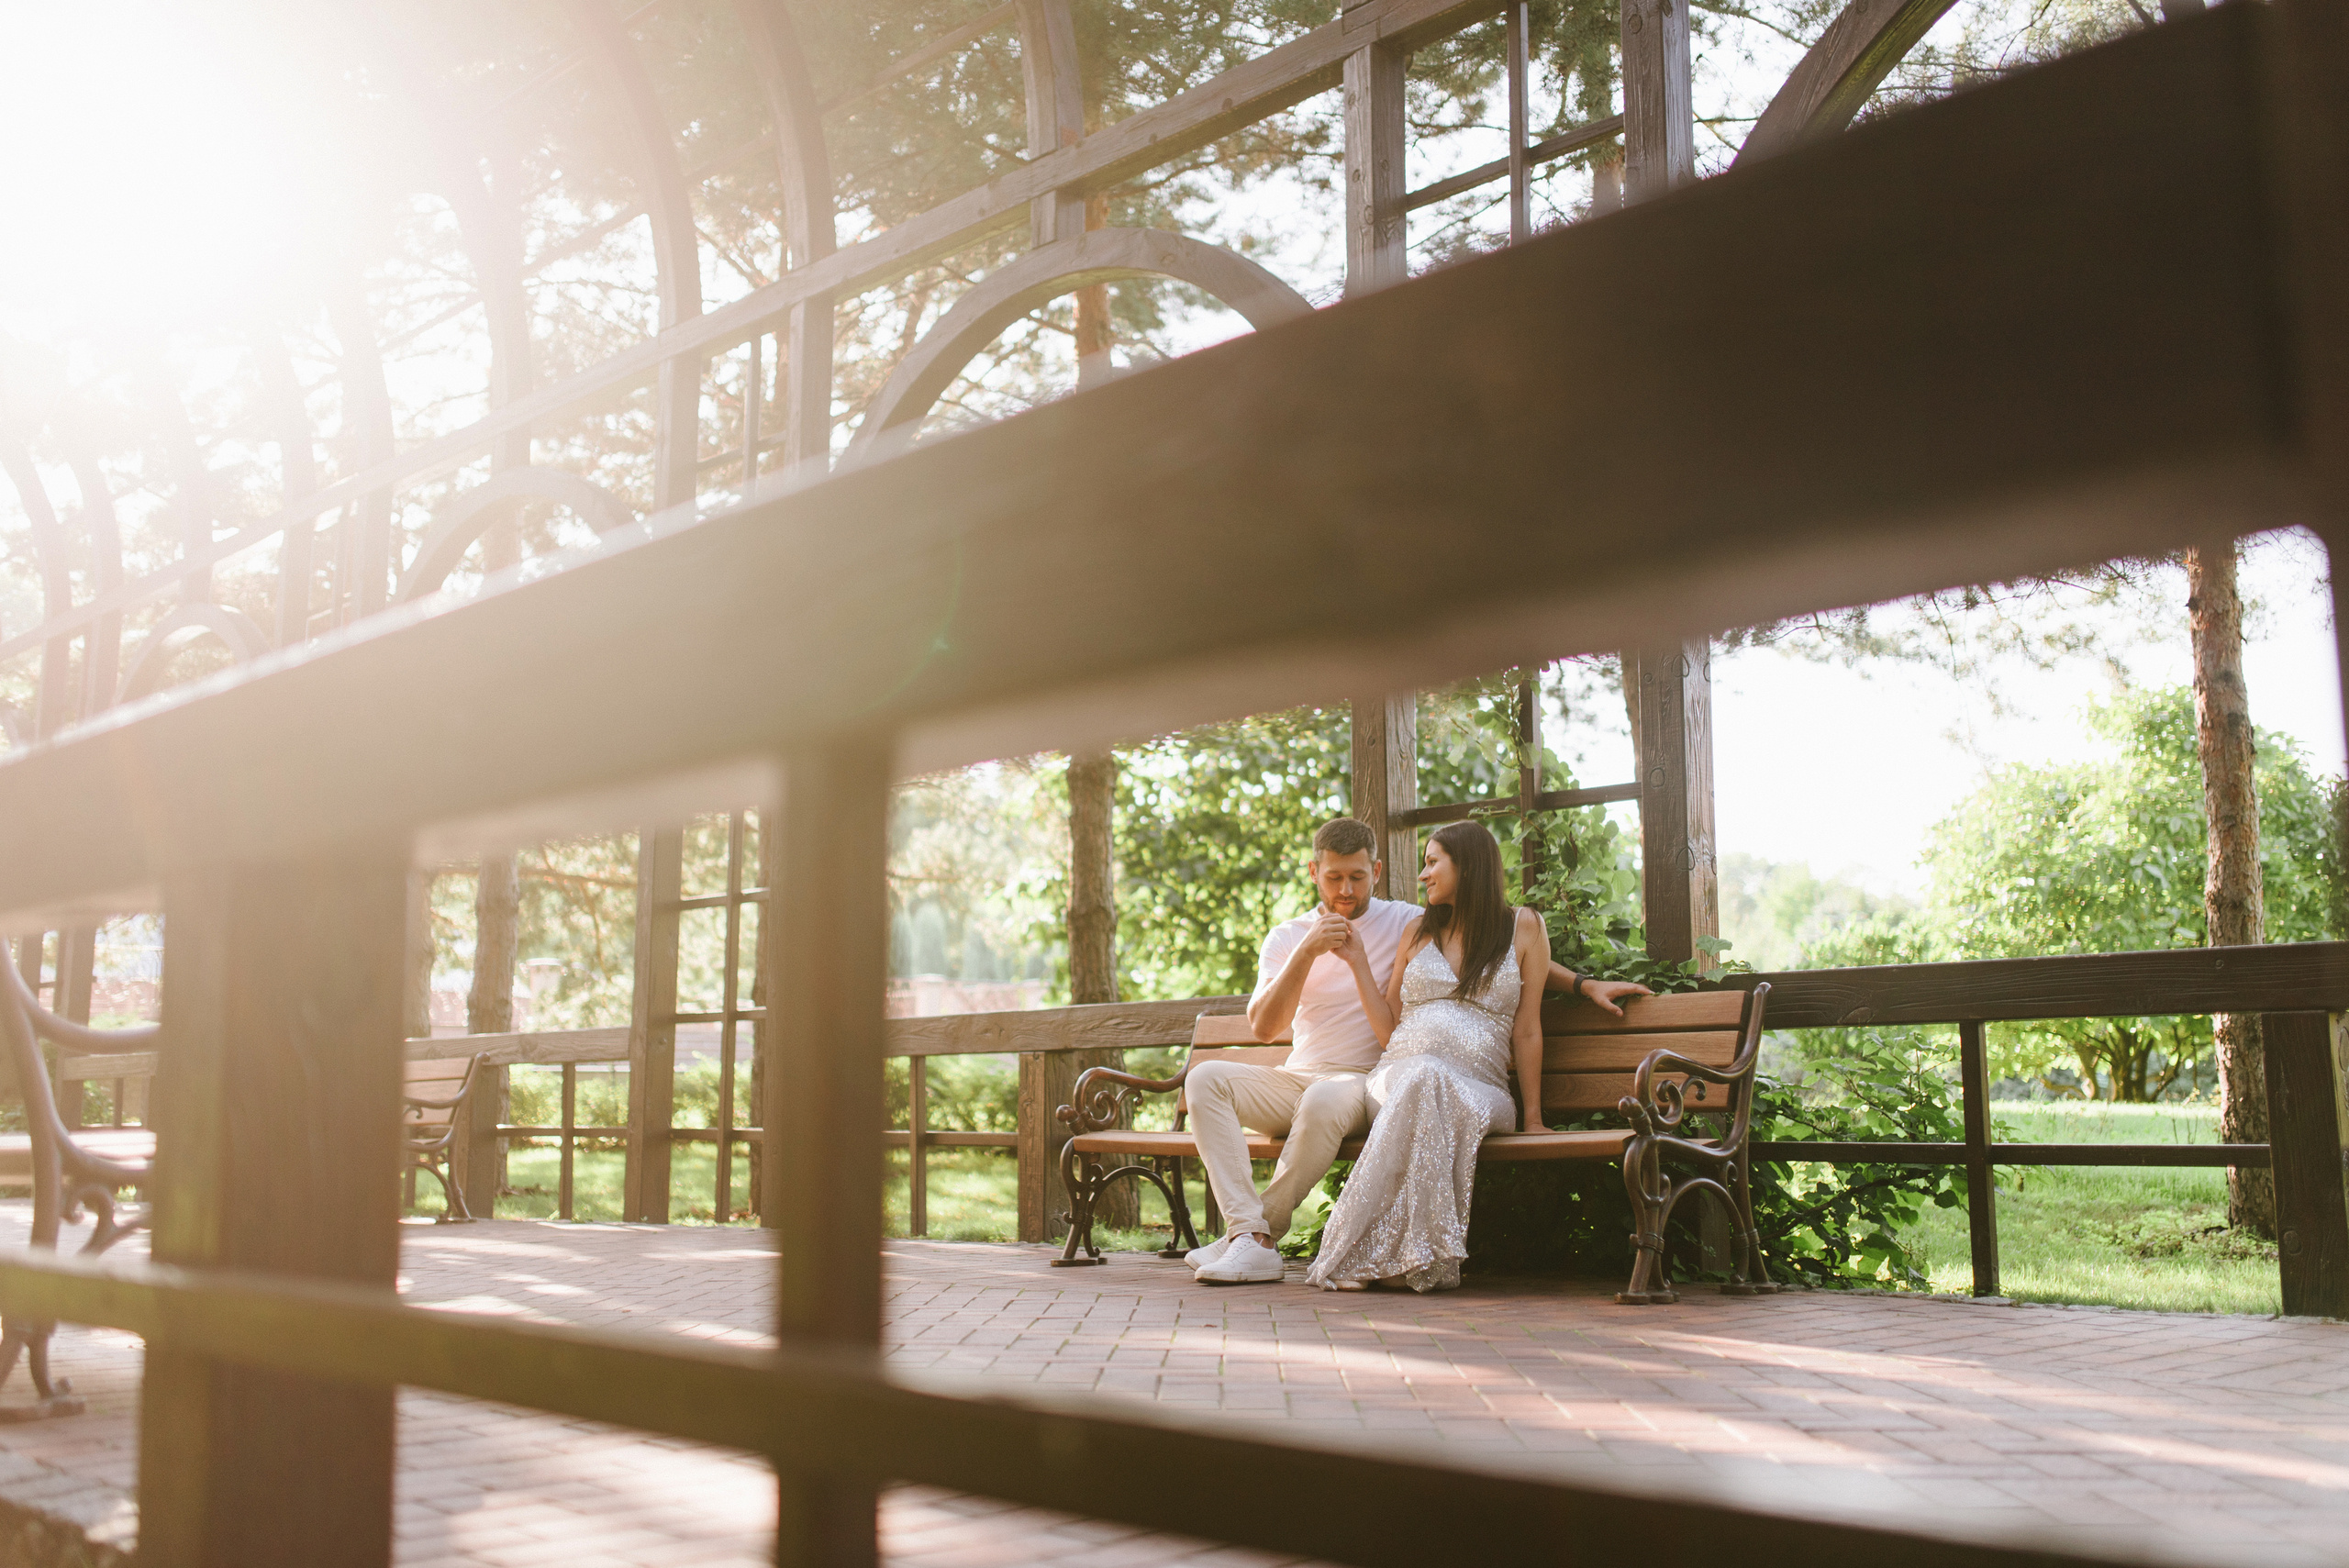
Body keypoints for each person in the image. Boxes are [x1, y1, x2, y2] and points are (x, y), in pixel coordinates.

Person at [1189, 817, 1647, 1285]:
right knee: (1205, 1077)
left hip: (1361, 1081)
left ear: (1378, 871)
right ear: (1313, 871)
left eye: (1357, 877)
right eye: (1333, 877)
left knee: (1341, 1097)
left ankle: (1267, 1240)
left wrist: (1584, 984)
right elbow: (1264, 1029)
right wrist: (1307, 951)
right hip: (1324, 1076)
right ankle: (1248, 1233)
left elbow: (1501, 947)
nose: (1345, 889)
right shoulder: (1293, 935)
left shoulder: (1410, 919)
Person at [1304, 820, 1628, 1293]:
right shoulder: (1416, 931)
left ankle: (1380, 1255)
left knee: (1428, 1078)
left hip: (1484, 1093)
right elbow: (1389, 1025)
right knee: (1420, 1077)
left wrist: (1533, 1119)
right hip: (1394, 1080)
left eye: (1432, 862)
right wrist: (1356, 964)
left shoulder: (1524, 927)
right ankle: (1412, 1259)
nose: (1423, 875)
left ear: (1468, 865)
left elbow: (1528, 1029)